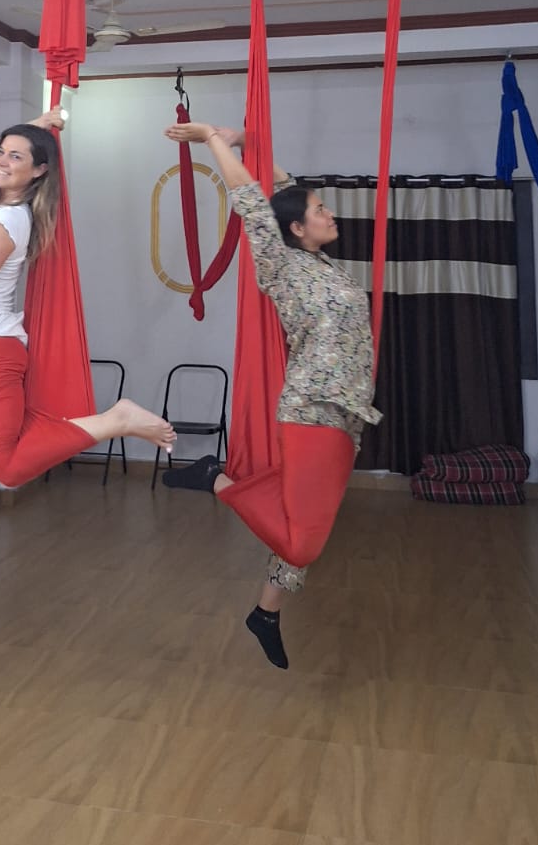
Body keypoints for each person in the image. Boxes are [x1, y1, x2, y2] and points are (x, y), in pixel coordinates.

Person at [162, 121, 380, 670]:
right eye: (320, 210)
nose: (330, 214)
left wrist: (256, 148)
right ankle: (216, 476)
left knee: (306, 528)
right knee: (303, 541)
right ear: (297, 229)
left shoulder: (321, 265)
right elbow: (255, 205)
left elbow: (283, 193)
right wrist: (215, 141)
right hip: (311, 410)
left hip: (345, 414)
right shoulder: (281, 264)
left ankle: (266, 613)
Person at [0, 110, 175, 490]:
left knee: (8, 470)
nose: (2, 159)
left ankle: (118, 420)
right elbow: (13, 161)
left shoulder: (8, 221)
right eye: (1, 151)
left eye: (16, 156)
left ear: (39, 171)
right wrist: (37, 127)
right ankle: (94, 423)